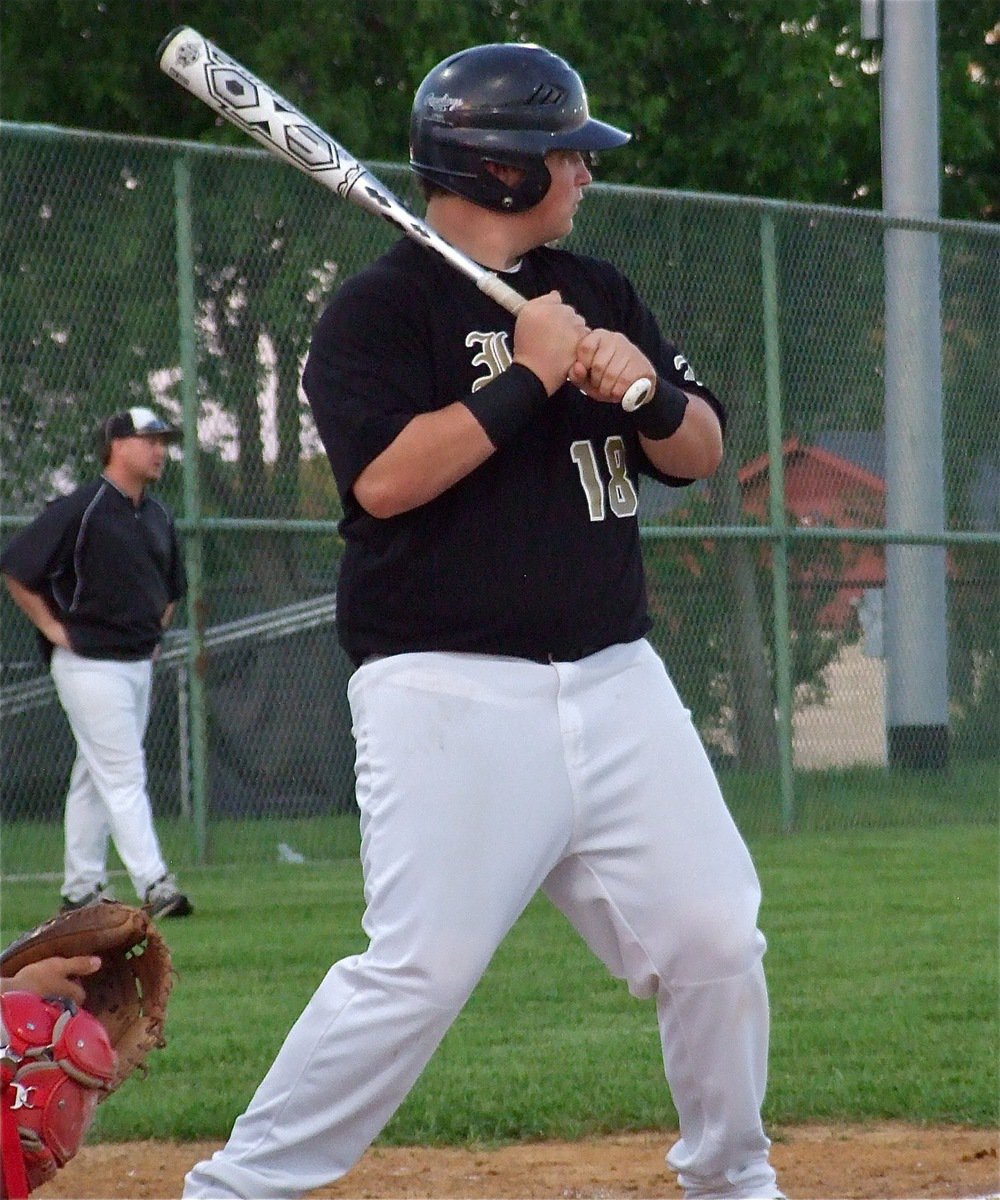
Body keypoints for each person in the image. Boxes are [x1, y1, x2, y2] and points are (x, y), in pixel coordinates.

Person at [184, 43, 782, 1200]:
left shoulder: (595, 291)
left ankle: (732, 1179)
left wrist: (643, 391)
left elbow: (701, 451)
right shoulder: (376, 313)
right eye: (568, 156)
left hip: (617, 683)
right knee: (422, 970)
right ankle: (239, 1188)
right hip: (447, 692)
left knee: (715, 938)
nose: (585, 175)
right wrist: (525, 378)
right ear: (503, 171)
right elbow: (384, 484)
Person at [1, 406, 193, 920]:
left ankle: (80, 887)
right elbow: (18, 567)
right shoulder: (82, 508)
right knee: (123, 771)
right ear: (116, 445)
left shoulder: (157, 514)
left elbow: (173, 587)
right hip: (88, 662)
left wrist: (154, 631)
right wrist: (53, 629)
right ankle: (155, 882)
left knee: (96, 771)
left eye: (163, 441)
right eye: (149, 440)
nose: (160, 450)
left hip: (135, 662)